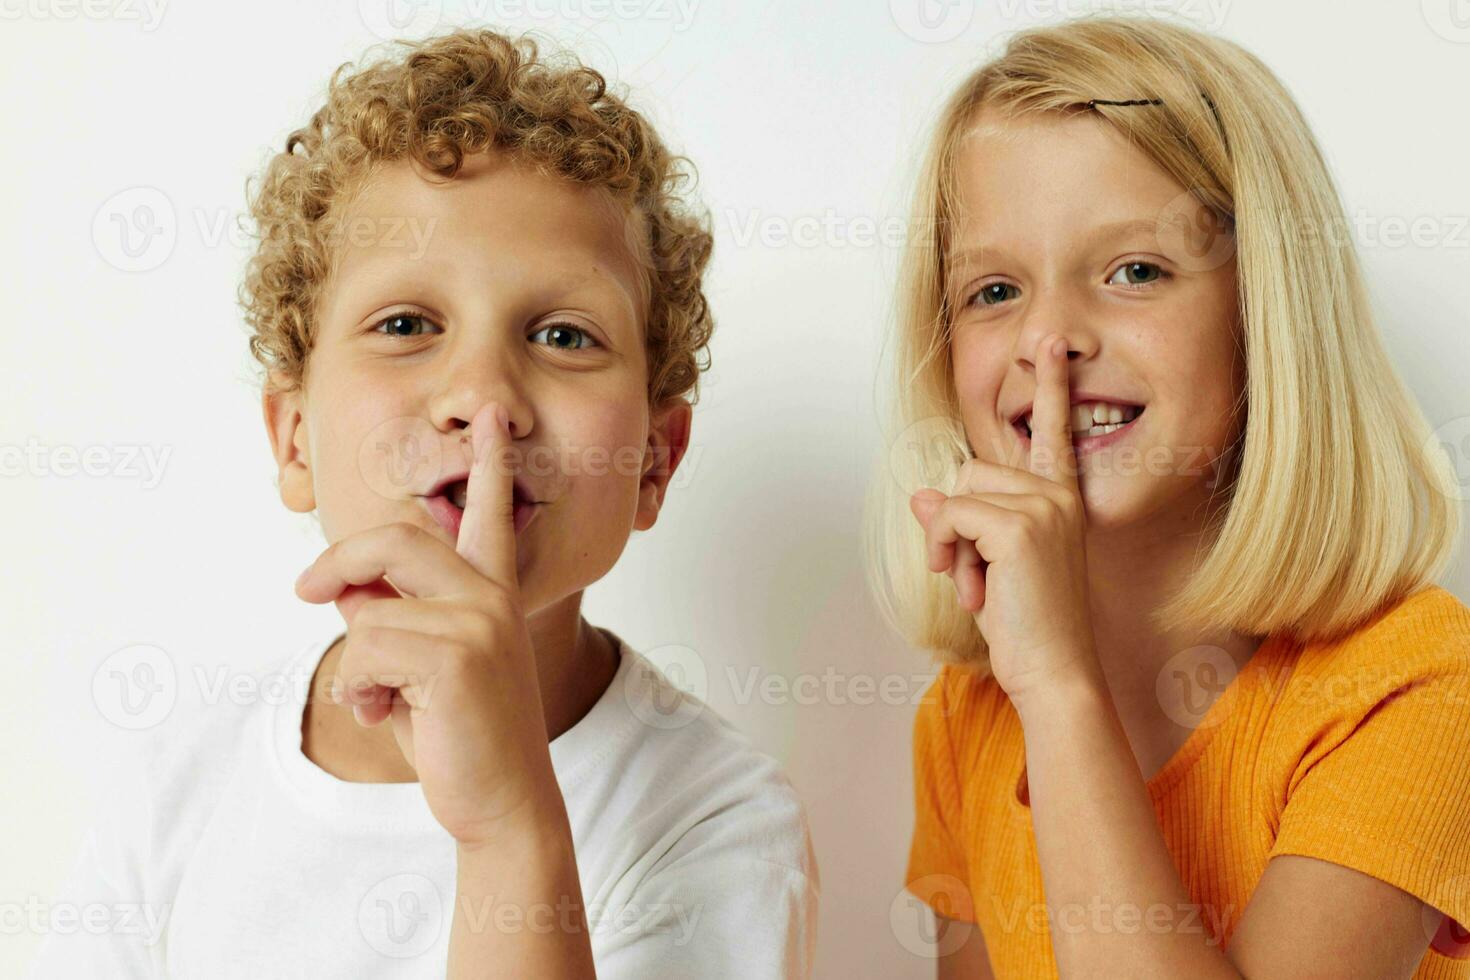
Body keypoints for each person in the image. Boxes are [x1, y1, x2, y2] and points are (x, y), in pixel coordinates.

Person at [30, 26, 817, 979]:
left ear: (656, 459)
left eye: (564, 336)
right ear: (294, 441)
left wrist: (506, 829)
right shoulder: (179, 788)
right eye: (405, 325)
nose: (483, 398)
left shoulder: (716, 819)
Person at [865, 13, 1470, 978]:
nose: (1049, 338)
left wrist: (1062, 692)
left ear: (1264, 313)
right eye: (992, 291)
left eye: (1136, 271)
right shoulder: (966, 716)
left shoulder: (1416, 681)